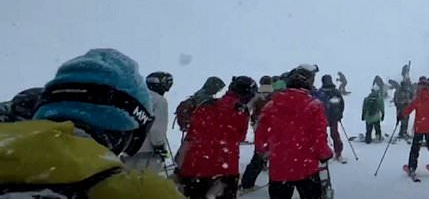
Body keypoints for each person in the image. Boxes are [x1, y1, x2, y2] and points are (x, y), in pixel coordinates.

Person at [0, 48, 183, 198]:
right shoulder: (145, 193)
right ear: (130, 129)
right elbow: (158, 133)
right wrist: (159, 147)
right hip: (142, 158)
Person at [255, 65, 333, 199]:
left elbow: (260, 134)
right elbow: (319, 136)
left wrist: (265, 151)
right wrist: (324, 153)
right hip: (306, 167)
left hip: (279, 167)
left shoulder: (271, 105)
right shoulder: (314, 105)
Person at [177, 76, 256, 199]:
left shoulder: (206, 104)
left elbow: (192, 133)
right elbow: (240, 137)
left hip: (194, 165)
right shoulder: (241, 111)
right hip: (224, 167)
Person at [126, 71, 173, 173]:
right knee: (143, 184)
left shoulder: (137, 97)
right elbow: (156, 129)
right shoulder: (160, 101)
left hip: (128, 147)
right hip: (147, 152)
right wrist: (160, 146)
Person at [401, 79, 429, 178]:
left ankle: (412, 167)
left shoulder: (418, 100)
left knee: (415, 149)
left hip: (419, 128)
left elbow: (408, 109)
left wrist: (401, 115)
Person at [319, 75, 346, 162]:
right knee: (334, 134)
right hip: (331, 117)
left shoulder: (321, 92)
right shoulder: (335, 92)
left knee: (324, 136)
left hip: (324, 117)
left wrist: (339, 113)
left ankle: (326, 153)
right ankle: (337, 152)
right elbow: (341, 104)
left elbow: (341, 104)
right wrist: (340, 114)